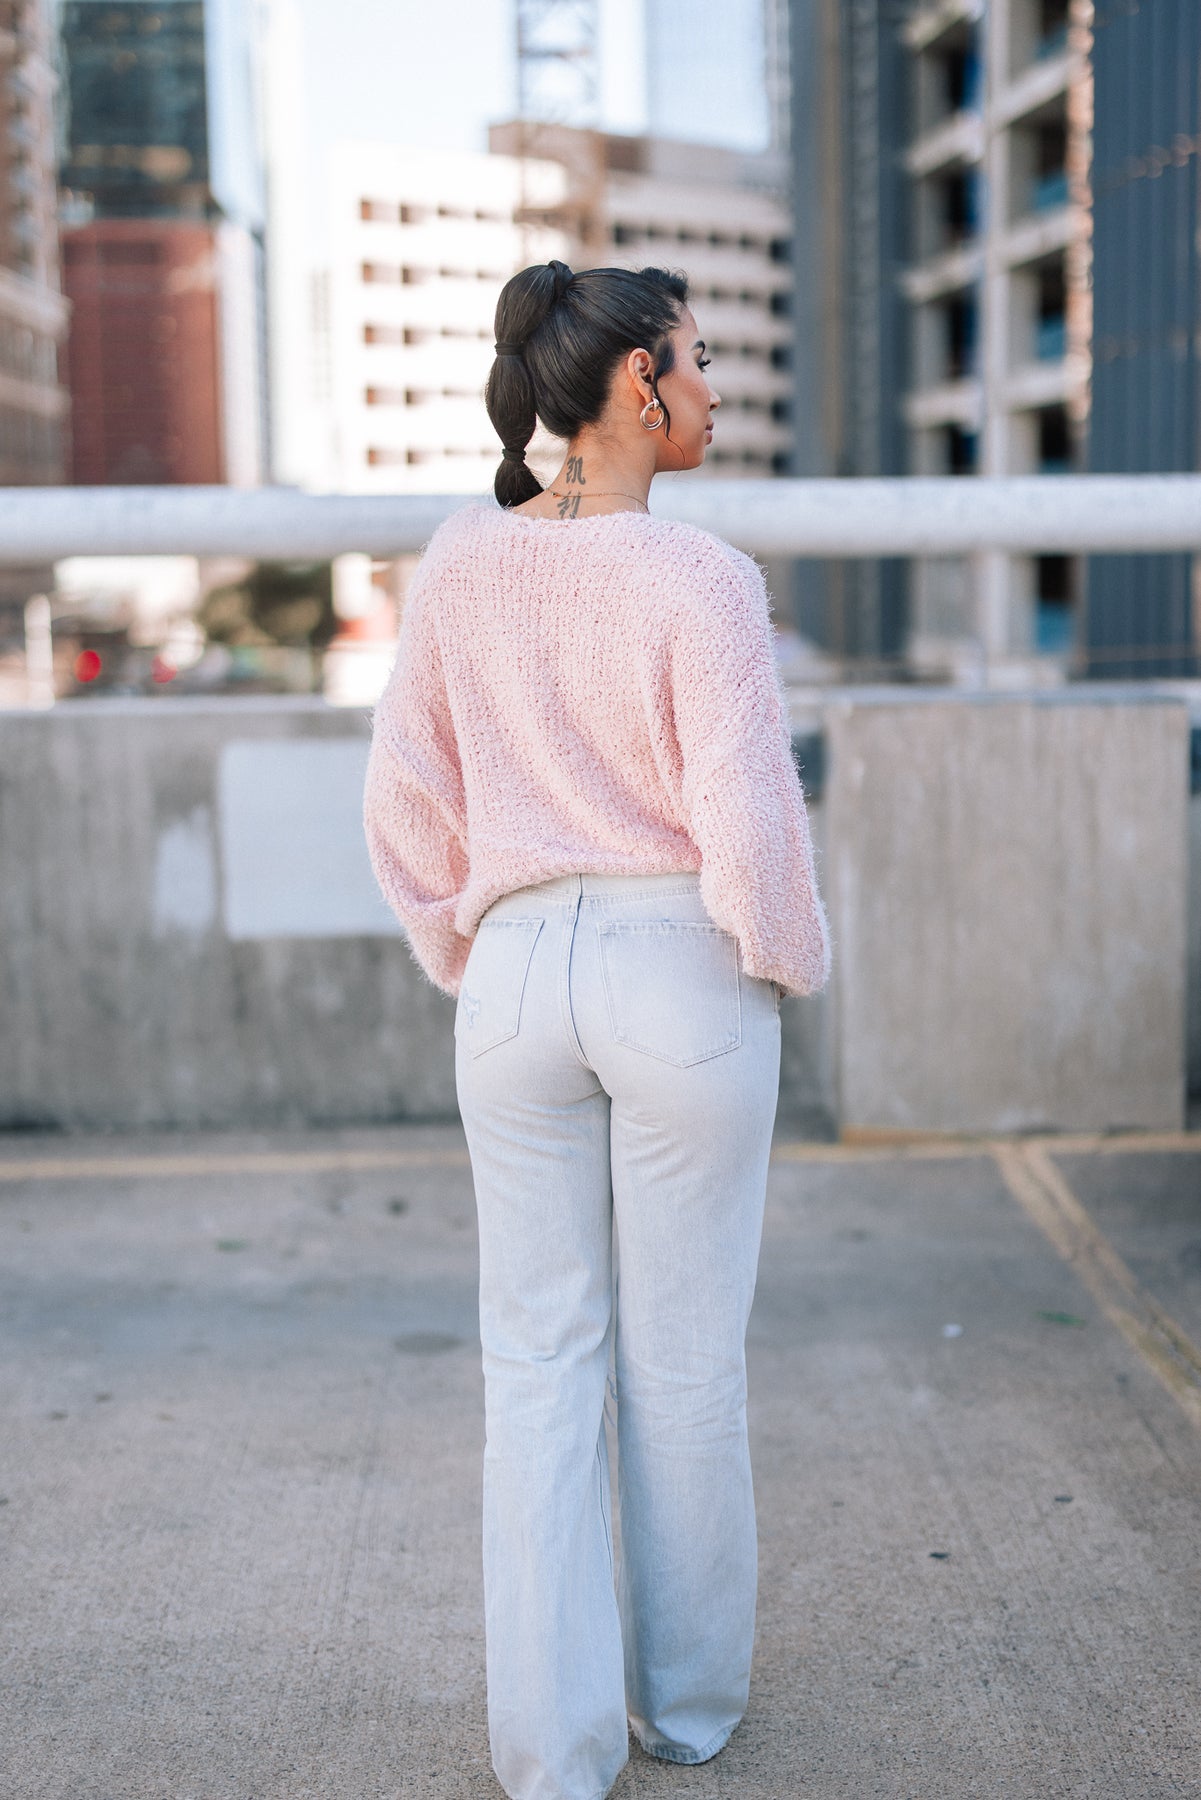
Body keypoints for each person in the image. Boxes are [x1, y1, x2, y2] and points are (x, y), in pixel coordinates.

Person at [362, 258, 831, 1800]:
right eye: (694, 362)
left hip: (509, 977)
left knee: (536, 1361)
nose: (710, 391)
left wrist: (471, 942)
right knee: (682, 1365)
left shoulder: (459, 562)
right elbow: (743, 819)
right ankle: (681, 1711)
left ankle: (550, 1753)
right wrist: (776, 964)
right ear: (638, 383)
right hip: (673, 962)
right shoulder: (700, 578)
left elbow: (404, 796)